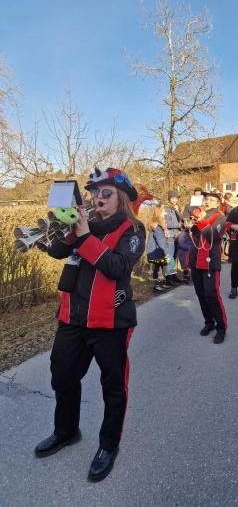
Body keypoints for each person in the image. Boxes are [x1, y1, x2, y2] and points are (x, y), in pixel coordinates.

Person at [34, 167, 145, 482]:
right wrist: (61, 225)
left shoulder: (132, 229)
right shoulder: (86, 223)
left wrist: (83, 236)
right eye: (94, 193)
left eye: (106, 192)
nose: (98, 198)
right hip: (73, 317)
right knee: (62, 377)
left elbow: (117, 266)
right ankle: (66, 431)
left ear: (121, 196)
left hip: (111, 319)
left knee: (113, 387)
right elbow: (57, 252)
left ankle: (109, 445)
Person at [189, 191, 228, 344]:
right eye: (207, 199)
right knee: (200, 294)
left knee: (212, 295)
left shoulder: (221, 217)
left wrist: (201, 221)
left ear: (218, 203)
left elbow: (213, 235)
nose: (208, 202)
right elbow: (193, 234)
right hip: (195, 260)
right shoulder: (200, 213)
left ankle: (221, 327)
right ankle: (209, 322)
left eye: (212, 200)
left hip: (210, 261)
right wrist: (190, 224)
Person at [146, 204, 172, 292]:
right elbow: (160, 239)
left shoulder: (160, 223)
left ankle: (161, 283)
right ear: (159, 212)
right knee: (158, 267)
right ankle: (157, 285)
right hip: (157, 250)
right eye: (163, 210)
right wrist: (166, 251)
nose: (165, 212)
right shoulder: (157, 225)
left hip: (157, 250)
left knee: (160, 266)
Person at [163, 190, 184, 285]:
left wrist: (177, 210)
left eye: (176, 198)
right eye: (173, 198)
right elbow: (165, 223)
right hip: (169, 236)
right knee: (169, 257)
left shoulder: (175, 208)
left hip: (176, 236)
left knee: (174, 257)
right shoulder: (165, 208)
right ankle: (168, 278)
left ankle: (173, 275)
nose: (175, 200)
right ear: (169, 198)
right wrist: (178, 226)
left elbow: (182, 219)